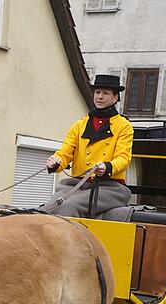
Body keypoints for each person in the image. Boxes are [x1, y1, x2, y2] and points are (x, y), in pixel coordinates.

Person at [44, 74, 133, 218]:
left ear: (115, 98)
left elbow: (123, 158)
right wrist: (56, 161)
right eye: (97, 92)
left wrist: (107, 167)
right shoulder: (79, 124)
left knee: (68, 206)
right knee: (49, 207)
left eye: (105, 93)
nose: (100, 96)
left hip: (109, 187)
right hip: (76, 184)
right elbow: (65, 152)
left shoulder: (124, 126)